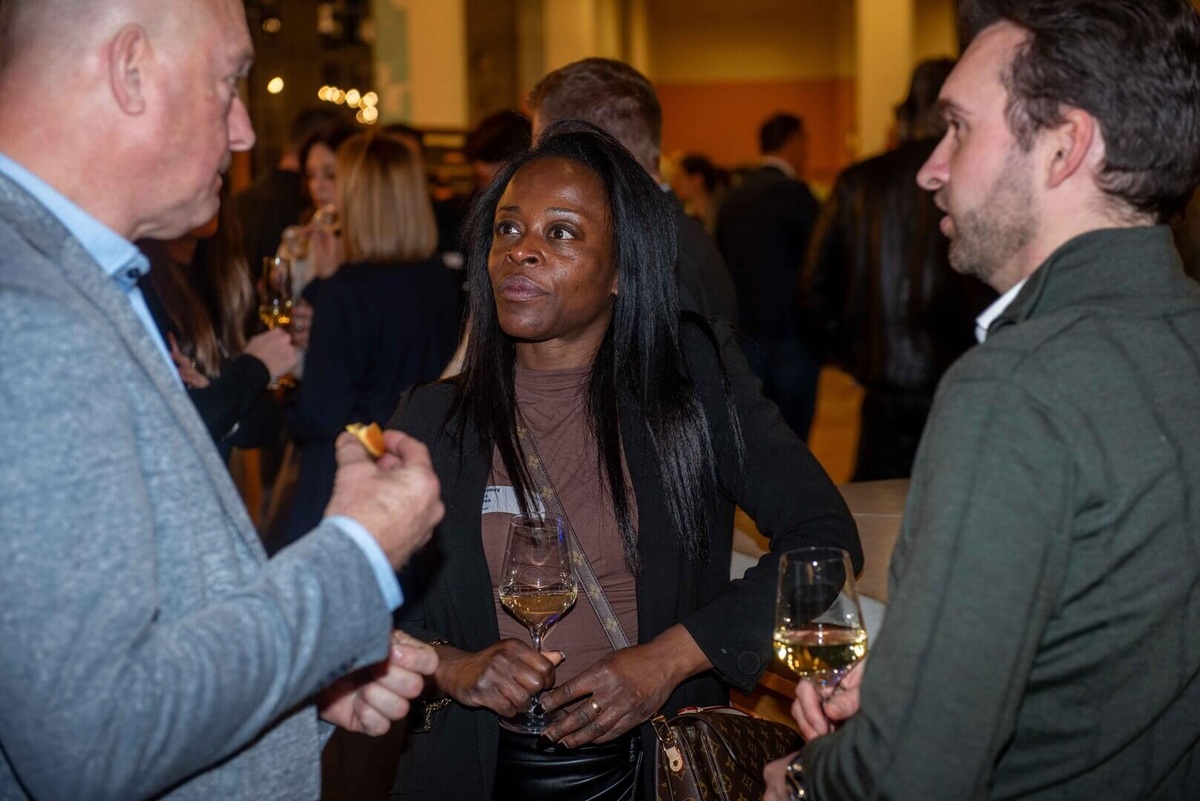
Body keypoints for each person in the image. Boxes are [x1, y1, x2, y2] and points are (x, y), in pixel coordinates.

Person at [0, 2, 445, 798]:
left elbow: (148, 635)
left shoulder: (65, 273)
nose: (243, 132)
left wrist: (305, 682)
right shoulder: (29, 313)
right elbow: (94, 743)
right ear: (131, 71)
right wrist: (356, 555)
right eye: (229, 82)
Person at [763, 1, 1200, 799]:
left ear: (1065, 145)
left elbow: (912, 775)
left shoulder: (1014, 391)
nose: (930, 168)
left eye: (959, 129)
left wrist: (805, 777)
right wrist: (915, 682)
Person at [386, 120, 860, 800]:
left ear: (620, 272)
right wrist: (453, 666)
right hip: (474, 772)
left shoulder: (688, 391)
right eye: (508, 228)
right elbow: (366, 608)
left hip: (655, 767)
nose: (522, 251)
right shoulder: (433, 419)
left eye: (562, 233)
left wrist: (664, 661)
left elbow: (823, 538)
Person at [801, 59, 995, 479]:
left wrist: (849, 354)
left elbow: (814, 287)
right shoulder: (982, 181)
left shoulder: (858, 183)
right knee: (955, 499)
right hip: (963, 381)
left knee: (877, 505)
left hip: (882, 388)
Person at [279, 132, 461, 552]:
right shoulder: (438, 279)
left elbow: (320, 414)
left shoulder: (346, 293)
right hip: (422, 467)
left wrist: (281, 398)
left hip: (352, 477)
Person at [529, 57, 739, 325]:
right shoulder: (671, 238)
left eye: (544, 155)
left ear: (587, 152)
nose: (536, 170)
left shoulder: (655, 262)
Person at [138, 201, 296, 462]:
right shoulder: (143, 284)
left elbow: (267, 425)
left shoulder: (222, 276)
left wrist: (219, 399)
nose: (214, 185)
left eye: (221, 181)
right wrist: (254, 368)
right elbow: (175, 425)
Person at [715, 113, 821, 439]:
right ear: (794, 142)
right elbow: (821, 261)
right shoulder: (797, 194)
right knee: (794, 440)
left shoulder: (733, 198)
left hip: (744, 336)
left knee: (754, 438)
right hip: (793, 337)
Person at [232, 105, 346, 273]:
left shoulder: (368, 240)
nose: (317, 186)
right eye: (310, 175)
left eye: (330, 175)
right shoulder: (300, 238)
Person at [669, 152, 726, 234]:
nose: (674, 184)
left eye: (679, 178)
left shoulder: (720, 217)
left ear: (697, 180)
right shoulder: (691, 216)